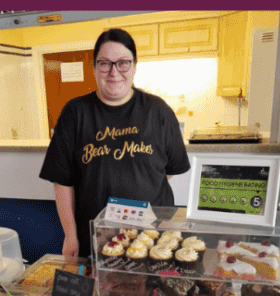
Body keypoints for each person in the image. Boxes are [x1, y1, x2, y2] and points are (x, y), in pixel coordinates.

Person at [40, 28, 190, 259]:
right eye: (104, 63)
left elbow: (168, 171)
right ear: (94, 67)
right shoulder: (75, 112)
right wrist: (70, 236)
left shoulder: (158, 111)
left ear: (134, 65)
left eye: (123, 63)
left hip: (151, 237)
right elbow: (62, 182)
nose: (114, 72)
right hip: (94, 237)